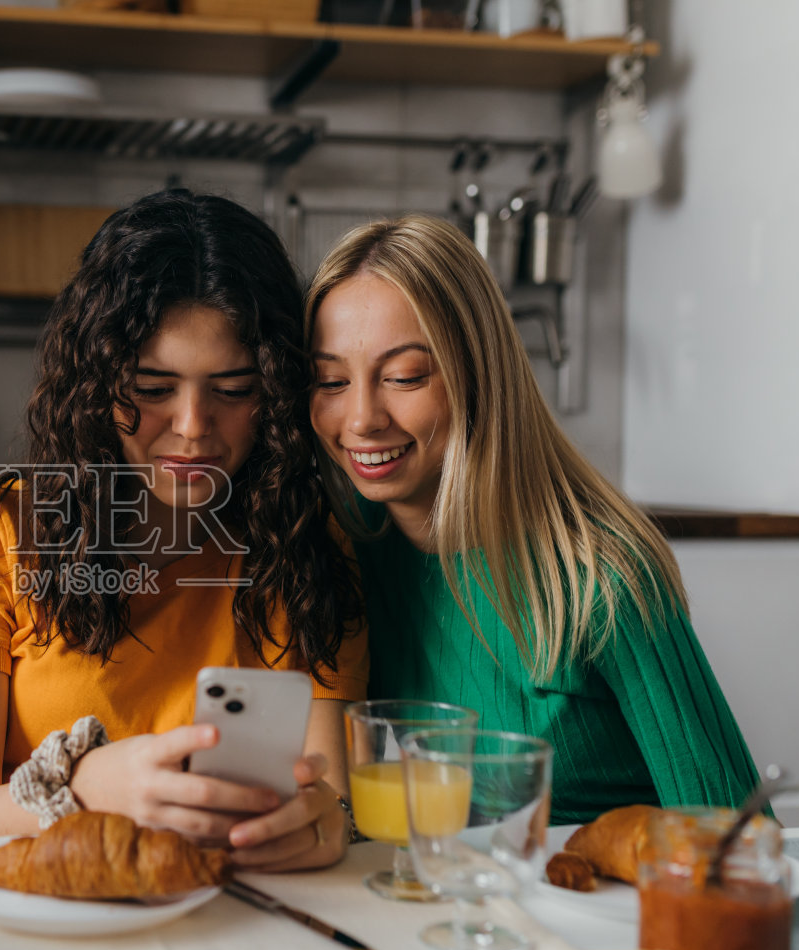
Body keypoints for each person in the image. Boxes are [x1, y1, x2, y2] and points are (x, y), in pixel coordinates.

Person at [0, 190, 367, 869]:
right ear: (96, 384)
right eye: (154, 388)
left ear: (274, 392)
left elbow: (327, 798)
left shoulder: (301, 548)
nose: (192, 425)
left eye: (233, 388)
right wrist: (83, 788)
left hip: (169, 908)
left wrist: (319, 826)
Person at [306, 214, 760, 825]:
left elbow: (734, 830)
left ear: (477, 372)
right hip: (434, 904)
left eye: (404, 377)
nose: (360, 417)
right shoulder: (344, 548)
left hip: (597, 908)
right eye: (330, 380)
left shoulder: (601, 571)